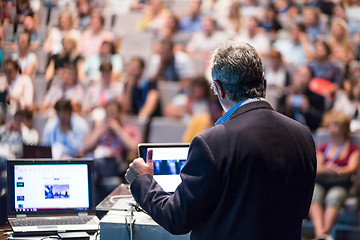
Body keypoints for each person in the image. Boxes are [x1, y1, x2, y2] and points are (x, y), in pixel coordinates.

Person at [125, 42, 316, 239]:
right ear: (262, 82)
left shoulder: (212, 143)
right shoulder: (303, 135)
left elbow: (177, 218)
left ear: (219, 89)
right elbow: (301, 210)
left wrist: (143, 180)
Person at [309, 110, 360, 240]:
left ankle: (323, 234)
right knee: (313, 195)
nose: (331, 129)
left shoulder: (354, 149)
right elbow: (317, 167)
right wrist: (327, 169)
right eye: (331, 125)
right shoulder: (323, 147)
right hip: (322, 181)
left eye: (335, 125)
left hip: (341, 184)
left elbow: (351, 168)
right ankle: (321, 234)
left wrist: (337, 170)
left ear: (343, 128)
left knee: (334, 197)